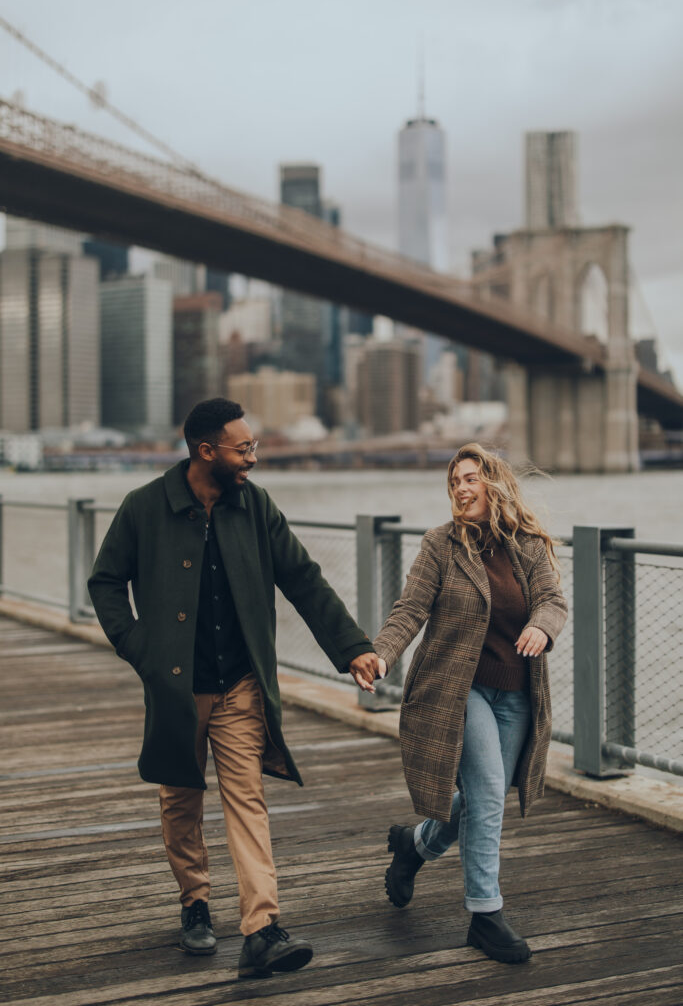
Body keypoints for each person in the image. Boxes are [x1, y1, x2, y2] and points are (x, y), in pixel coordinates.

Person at [88, 398, 382, 979]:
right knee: (180, 798)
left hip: (242, 685)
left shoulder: (255, 506)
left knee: (246, 799)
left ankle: (262, 928)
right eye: (242, 448)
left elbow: (302, 577)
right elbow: (105, 582)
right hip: (178, 689)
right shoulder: (144, 507)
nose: (252, 457)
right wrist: (139, 648)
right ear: (206, 451)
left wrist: (351, 647)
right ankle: (195, 903)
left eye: (252, 446)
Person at [374, 443, 567, 964]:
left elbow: (552, 599)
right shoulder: (441, 545)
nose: (460, 488)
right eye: (454, 480)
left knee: (486, 797)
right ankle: (485, 914)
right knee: (483, 791)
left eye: (470, 479)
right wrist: (381, 657)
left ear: (494, 484)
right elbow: (410, 608)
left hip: (517, 693)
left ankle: (414, 846)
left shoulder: (526, 544)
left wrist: (540, 628)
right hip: (459, 690)